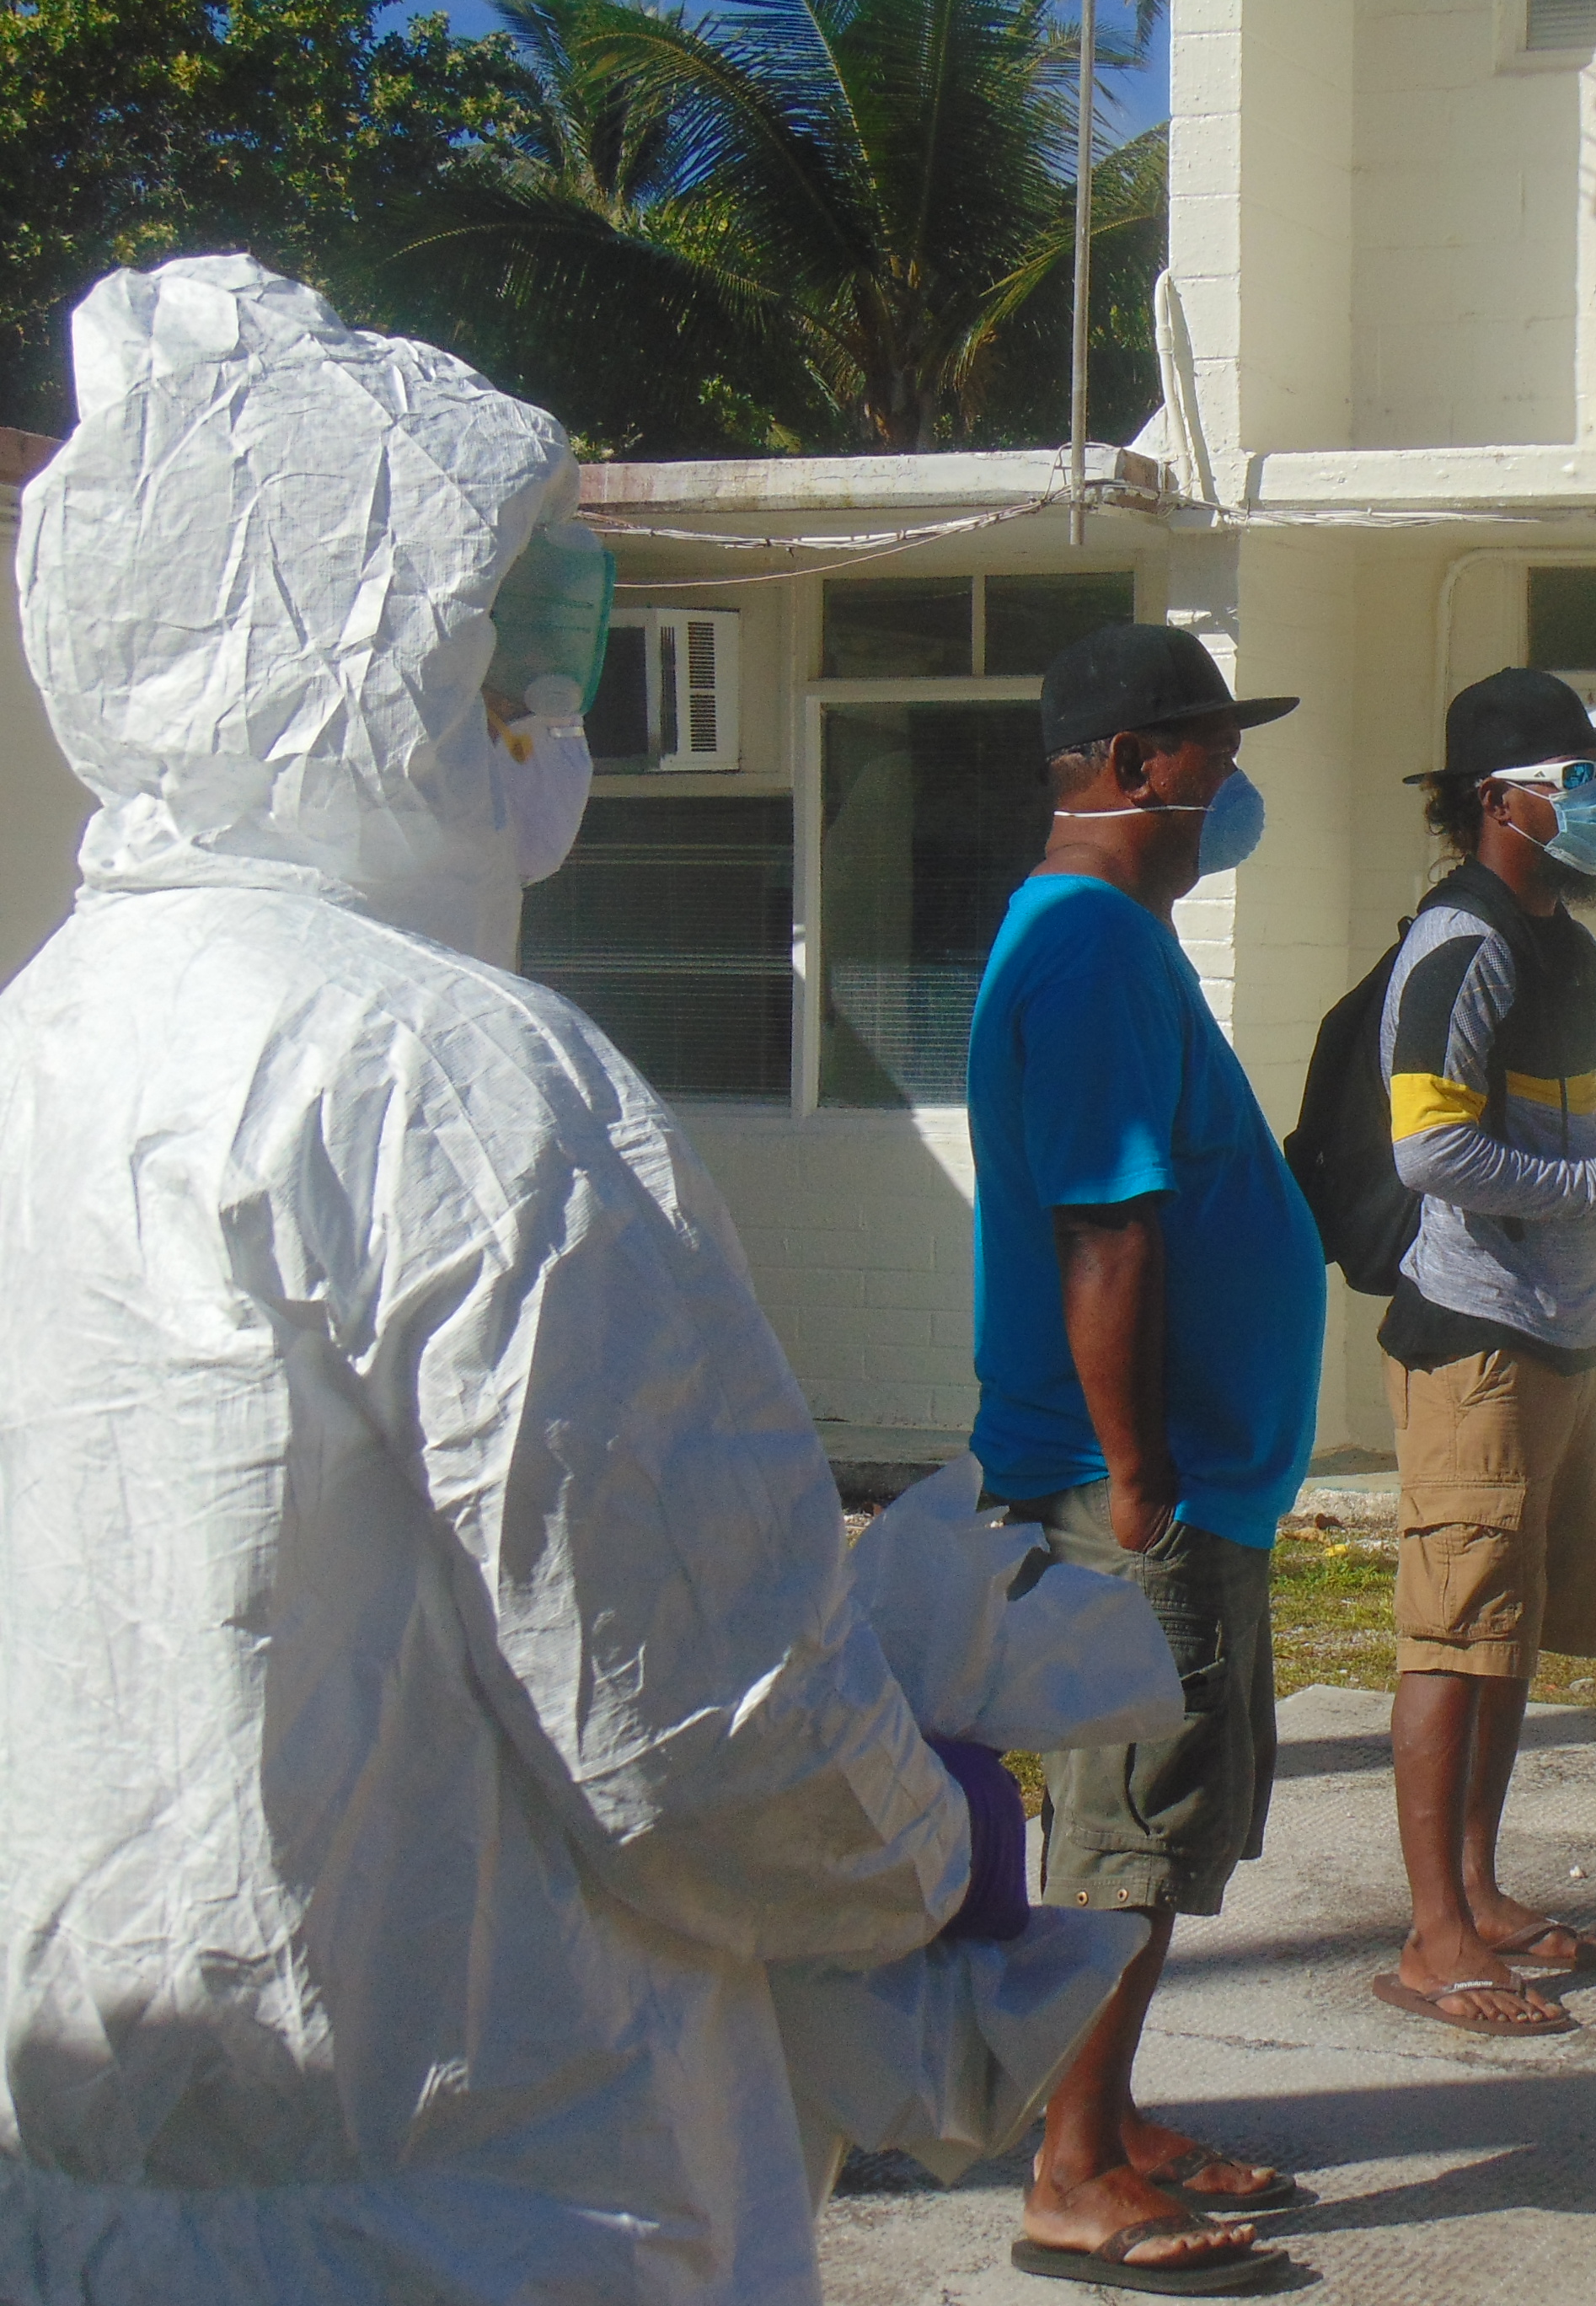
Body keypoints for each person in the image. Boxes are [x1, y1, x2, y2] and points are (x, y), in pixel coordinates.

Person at [0, 256, 1047, 2304]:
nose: (547, 698)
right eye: (510, 632)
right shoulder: (443, 1070)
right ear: (334, 653)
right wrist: (923, 1839)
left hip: (102, 2178)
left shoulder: (51, 1033)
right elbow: (697, 1718)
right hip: (493, 2194)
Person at [966, 622, 1323, 2293]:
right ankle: (1071, 2175)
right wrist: (1136, 1477)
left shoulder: (1107, 938)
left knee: (1159, 1835)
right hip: (1137, 1487)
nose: (1228, 783)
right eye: (1211, 749)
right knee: (1123, 1841)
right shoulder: (1096, 949)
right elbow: (1106, 1230)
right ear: (1131, 768)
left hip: (1180, 1475)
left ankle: (1113, 2127)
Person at [1370, 668, 1596, 2038]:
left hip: (1561, 1328)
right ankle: (1431, 1935)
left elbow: (1549, 1136)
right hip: (1475, 1340)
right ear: (1498, 798)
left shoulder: (1564, 941)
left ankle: (1481, 1893)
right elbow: (1429, 1145)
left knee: (1506, 1632)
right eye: (1577, 778)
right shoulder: (1463, 937)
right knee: (1453, 1634)